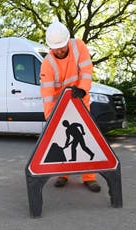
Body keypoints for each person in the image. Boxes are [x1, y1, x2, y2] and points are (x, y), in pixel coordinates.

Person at [40, 21, 101, 192]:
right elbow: (47, 93)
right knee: (61, 140)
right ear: (50, 47)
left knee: (86, 138)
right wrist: (50, 118)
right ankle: (63, 174)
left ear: (68, 40)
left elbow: (87, 70)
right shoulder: (47, 63)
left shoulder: (78, 46)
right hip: (61, 104)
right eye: (55, 48)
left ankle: (89, 177)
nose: (59, 50)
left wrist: (82, 89)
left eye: (62, 46)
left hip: (80, 99)